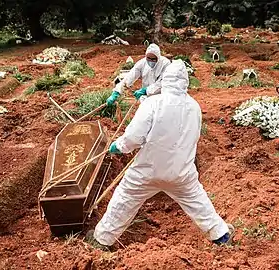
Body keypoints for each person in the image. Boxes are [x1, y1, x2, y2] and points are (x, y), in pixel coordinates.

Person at [85, 60, 234, 249]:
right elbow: (194, 138)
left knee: (124, 200)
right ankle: (221, 236)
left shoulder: (153, 103)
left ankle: (101, 240)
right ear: (186, 82)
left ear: (165, 80)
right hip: (181, 173)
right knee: (198, 203)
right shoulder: (194, 107)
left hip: (147, 171)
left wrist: (119, 146)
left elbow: (133, 137)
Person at [106, 43, 171, 105]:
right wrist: (117, 92)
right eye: (148, 58)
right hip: (146, 98)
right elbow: (129, 77)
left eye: (153, 59)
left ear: (158, 58)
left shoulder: (165, 64)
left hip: (161, 98)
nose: (150, 61)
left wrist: (146, 90)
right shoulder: (142, 63)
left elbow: (162, 83)